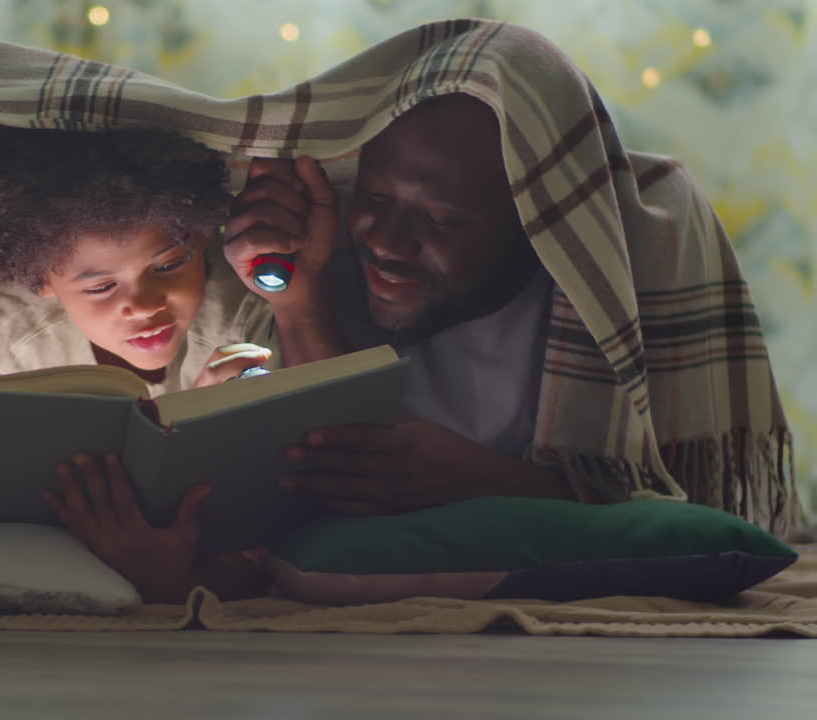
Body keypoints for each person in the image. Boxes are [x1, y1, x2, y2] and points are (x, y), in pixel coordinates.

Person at [226, 22, 802, 535]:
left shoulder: (639, 242)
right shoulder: (329, 237)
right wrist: (299, 300)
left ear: (537, 221)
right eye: (375, 196)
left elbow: (696, 518)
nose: (387, 243)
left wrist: (490, 484)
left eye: (440, 219)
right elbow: (336, 464)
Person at [0, 126, 321, 601]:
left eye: (168, 265)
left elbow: (286, 520)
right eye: (101, 287)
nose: (146, 305)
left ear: (201, 237)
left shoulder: (243, 312)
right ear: (42, 280)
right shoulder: (14, 344)